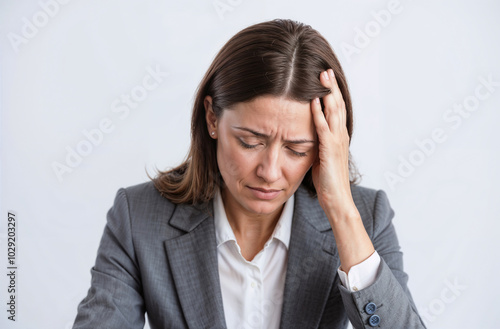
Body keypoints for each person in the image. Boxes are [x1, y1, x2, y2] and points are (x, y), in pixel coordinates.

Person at [73, 19, 426, 329]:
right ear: (212, 118)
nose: (270, 172)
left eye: (297, 149)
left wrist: (341, 211)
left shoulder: (366, 218)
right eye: (249, 141)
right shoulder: (138, 217)